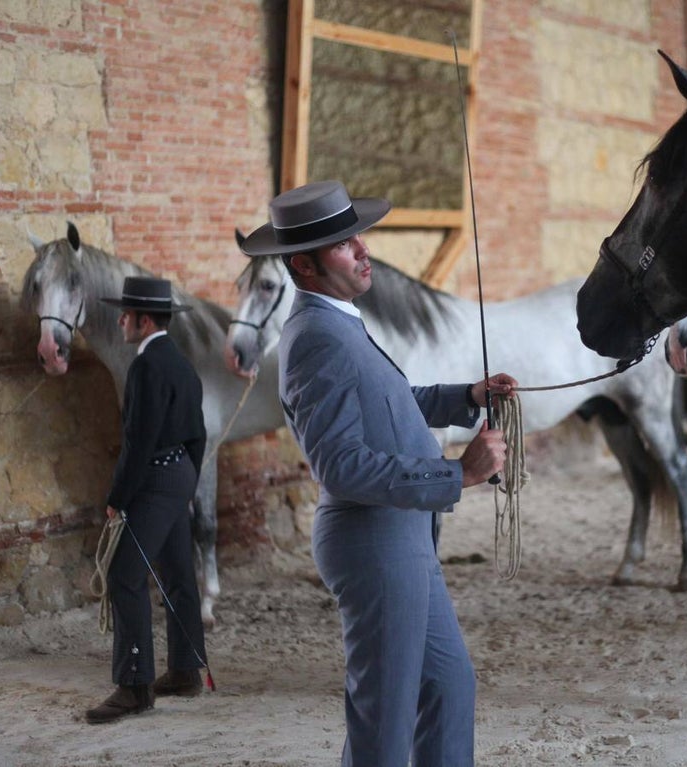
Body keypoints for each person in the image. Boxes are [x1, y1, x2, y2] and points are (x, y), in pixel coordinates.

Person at [240, 179, 515, 766]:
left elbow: (389, 403)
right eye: (344, 244)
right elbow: (339, 464)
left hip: (403, 536)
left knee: (448, 686)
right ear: (304, 266)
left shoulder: (338, 322)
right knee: (385, 722)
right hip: (373, 543)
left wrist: (465, 395)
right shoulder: (317, 338)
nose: (364, 249)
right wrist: (457, 475)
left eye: (357, 235)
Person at [86, 276, 210, 724]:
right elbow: (199, 433)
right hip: (179, 475)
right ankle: (184, 670)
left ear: (142, 320)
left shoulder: (144, 368)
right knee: (178, 572)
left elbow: (137, 442)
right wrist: (188, 481)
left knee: (123, 575)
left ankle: (135, 686)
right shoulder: (181, 363)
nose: (119, 320)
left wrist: (118, 496)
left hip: (155, 479)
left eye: (124, 314)